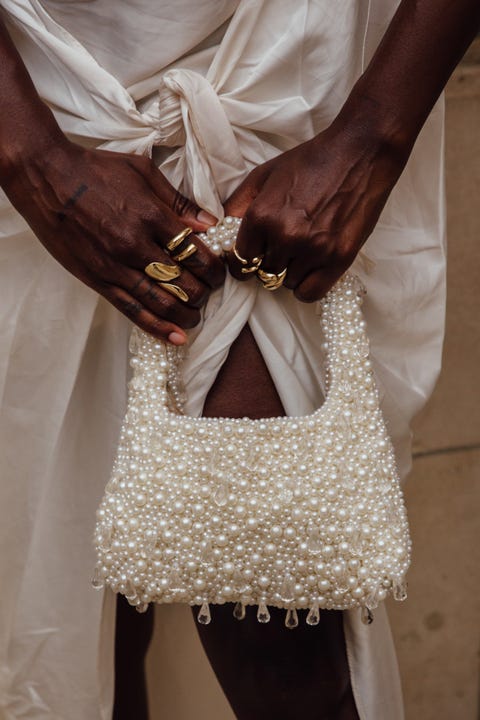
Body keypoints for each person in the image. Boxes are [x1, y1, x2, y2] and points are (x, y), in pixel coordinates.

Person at [0, 1, 479, 718]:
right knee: (85, 606)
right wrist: (28, 153)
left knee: (286, 658)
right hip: (46, 72)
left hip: (279, 59)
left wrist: (375, 135)